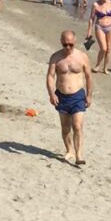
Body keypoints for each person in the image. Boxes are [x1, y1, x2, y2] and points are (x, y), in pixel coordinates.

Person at [46, 30, 93, 166]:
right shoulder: (56, 57)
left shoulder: (82, 57)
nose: (67, 47)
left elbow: (89, 76)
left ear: (75, 41)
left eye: (70, 45)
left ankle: (79, 155)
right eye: (65, 44)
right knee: (65, 127)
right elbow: (50, 76)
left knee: (77, 126)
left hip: (78, 95)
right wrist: (51, 94)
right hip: (61, 96)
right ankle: (69, 150)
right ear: (61, 42)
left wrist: (89, 95)